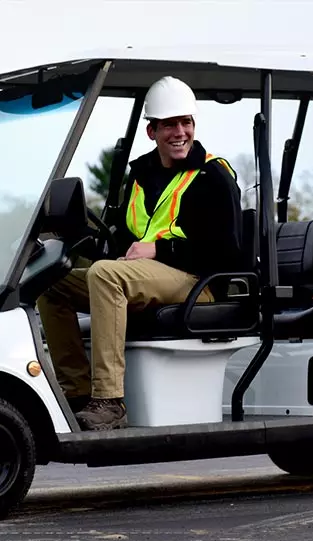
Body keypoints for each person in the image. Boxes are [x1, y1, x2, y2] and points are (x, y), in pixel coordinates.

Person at [36, 75, 245, 431]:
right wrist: (69, 234)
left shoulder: (213, 176)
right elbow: (120, 240)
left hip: (200, 282)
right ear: (152, 132)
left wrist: (158, 248)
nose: (179, 132)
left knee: (105, 275)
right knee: (49, 281)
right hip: (147, 278)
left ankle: (109, 401)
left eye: (185, 123)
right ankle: (75, 393)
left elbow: (225, 250)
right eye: (169, 125)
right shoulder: (139, 176)